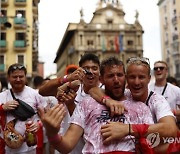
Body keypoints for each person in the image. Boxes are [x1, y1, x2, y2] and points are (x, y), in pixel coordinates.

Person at [38, 57, 155, 153]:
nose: (116, 80)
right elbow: (66, 146)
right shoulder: (86, 104)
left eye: (119, 75)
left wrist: (129, 130)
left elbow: (155, 142)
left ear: (125, 77)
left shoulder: (140, 107)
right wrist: (52, 133)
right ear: (101, 79)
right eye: (110, 76)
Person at [88, 57, 178, 153]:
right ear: (126, 78)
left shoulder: (157, 100)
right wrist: (108, 100)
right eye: (132, 77)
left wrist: (129, 129)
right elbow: (93, 90)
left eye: (141, 77)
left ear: (149, 78)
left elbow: (171, 129)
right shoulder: (125, 94)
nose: (136, 82)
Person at [0, 63, 47, 154]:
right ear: (8, 78)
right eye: (14, 77)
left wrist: (39, 124)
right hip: (8, 148)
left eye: (21, 76)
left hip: (30, 147)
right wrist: (2, 107)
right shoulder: (2, 96)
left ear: (25, 77)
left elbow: (46, 115)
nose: (18, 79)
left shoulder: (34, 95)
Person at [149, 61, 180, 126]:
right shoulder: (148, 89)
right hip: (152, 129)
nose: (158, 70)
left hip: (170, 128)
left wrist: (174, 113)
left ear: (166, 71)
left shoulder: (176, 90)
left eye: (161, 68)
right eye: (155, 68)